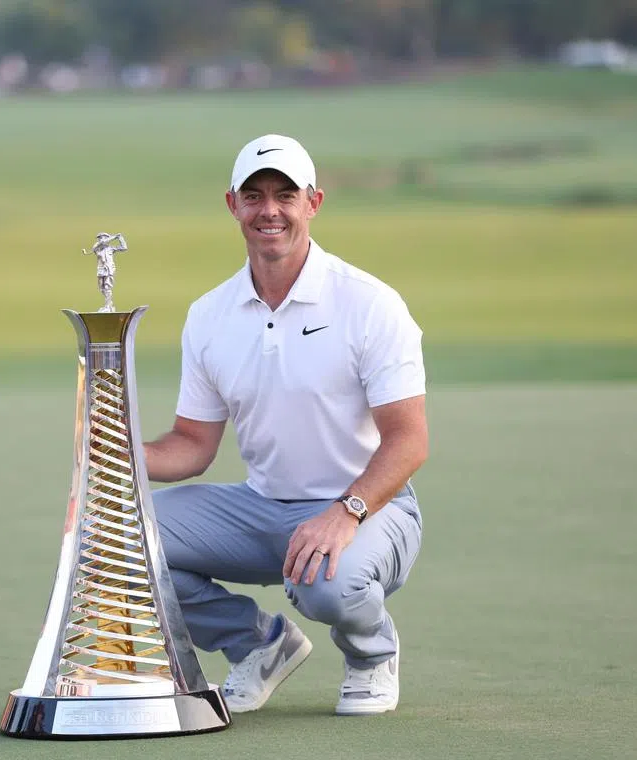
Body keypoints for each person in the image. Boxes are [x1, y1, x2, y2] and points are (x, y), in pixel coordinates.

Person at [143, 134, 428, 716]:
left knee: (327, 583)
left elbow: (409, 439)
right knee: (131, 543)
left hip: (372, 507)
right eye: (254, 196)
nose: (269, 210)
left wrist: (344, 513)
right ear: (233, 206)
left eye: (285, 195)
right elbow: (193, 445)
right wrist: (110, 450)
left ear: (313, 202)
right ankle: (259, 646)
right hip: (263, 507)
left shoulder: (369, 304)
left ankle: (372, 655)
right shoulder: (209, 316)